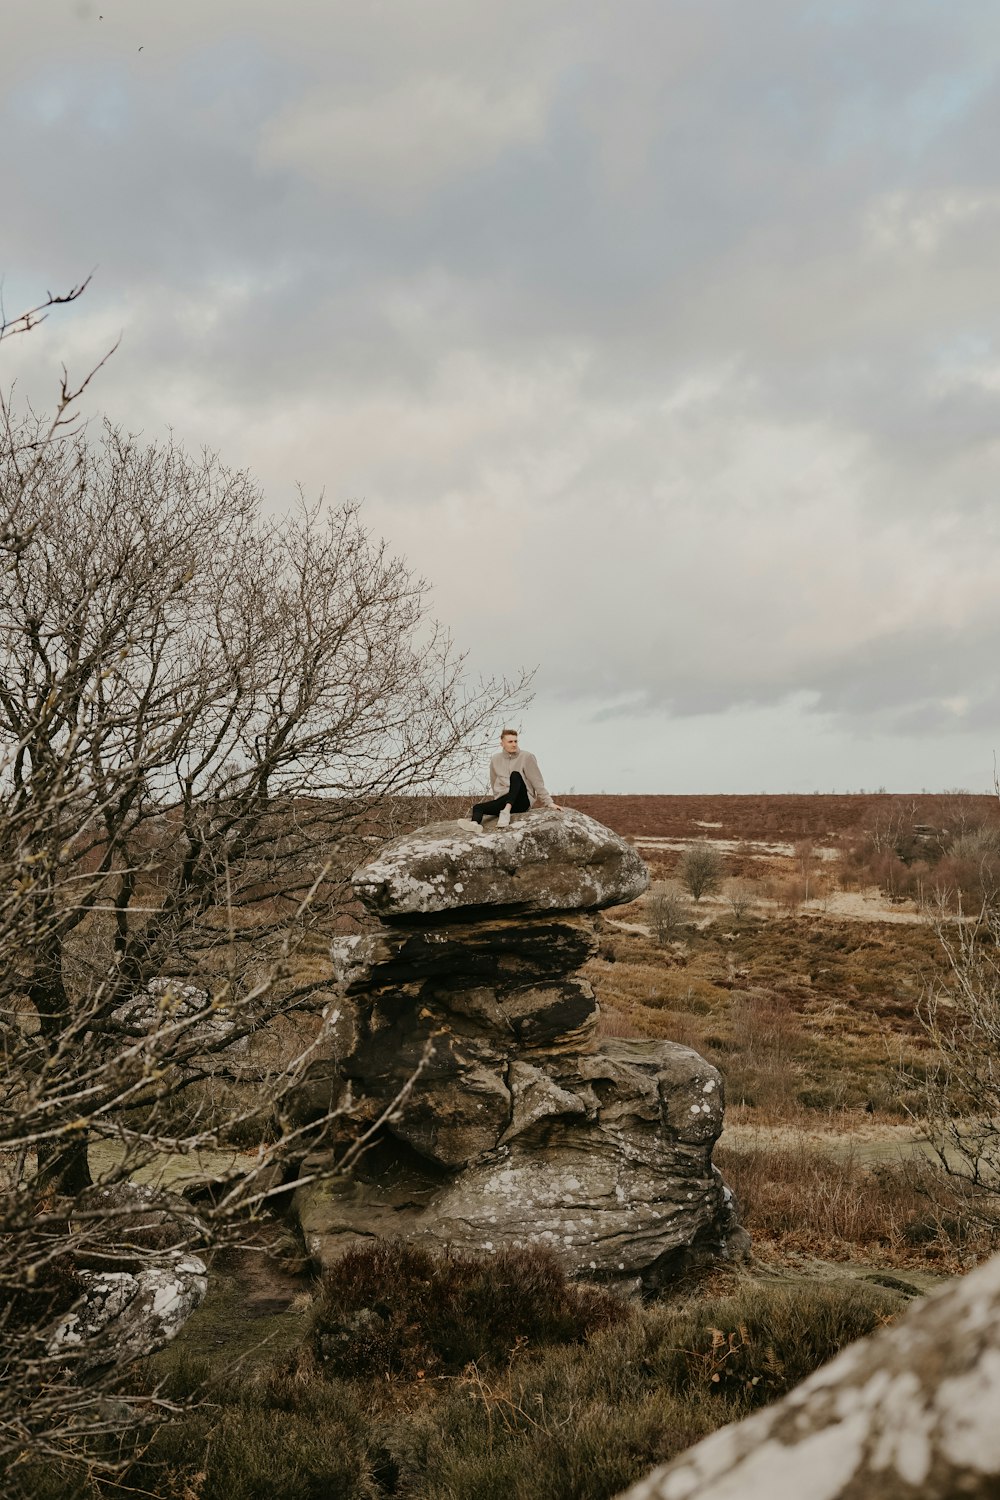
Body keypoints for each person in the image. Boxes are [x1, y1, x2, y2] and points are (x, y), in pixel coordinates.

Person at [470, 728, 557, 827]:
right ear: (502, 744)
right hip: (505, 799)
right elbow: (494, 781)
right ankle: (474, 825)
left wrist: (549, 803)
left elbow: (537, 782)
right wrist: (497, 801)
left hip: (522, 800)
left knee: (515, 775)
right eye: (510, 742)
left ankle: (506, 811)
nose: (514, 744)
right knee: (478, 807)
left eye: (516, 741)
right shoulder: (495, 759)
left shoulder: (527, 757)